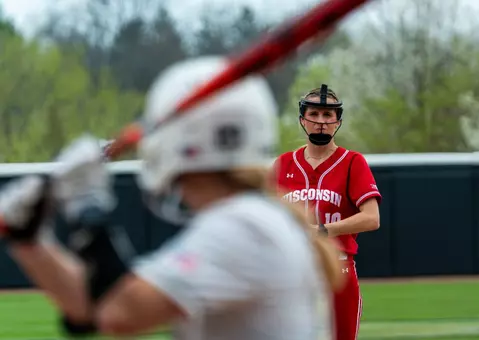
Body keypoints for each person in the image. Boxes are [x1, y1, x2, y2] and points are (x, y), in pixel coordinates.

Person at [0, 56, 344, 339]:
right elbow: (93, 307)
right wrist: (28, 238)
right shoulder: (252, 219)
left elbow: (119, 313)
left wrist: (86, 205)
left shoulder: (244, 225)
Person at [272, 84, 381, 340]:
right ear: (303, 119)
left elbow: (372, 217)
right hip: (292, 271)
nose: (321, 121)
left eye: (328, 115)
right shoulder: (284, 164)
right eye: (314, 114)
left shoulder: (353, 162)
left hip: (337, 270)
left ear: (337, 121)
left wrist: (323, 230)